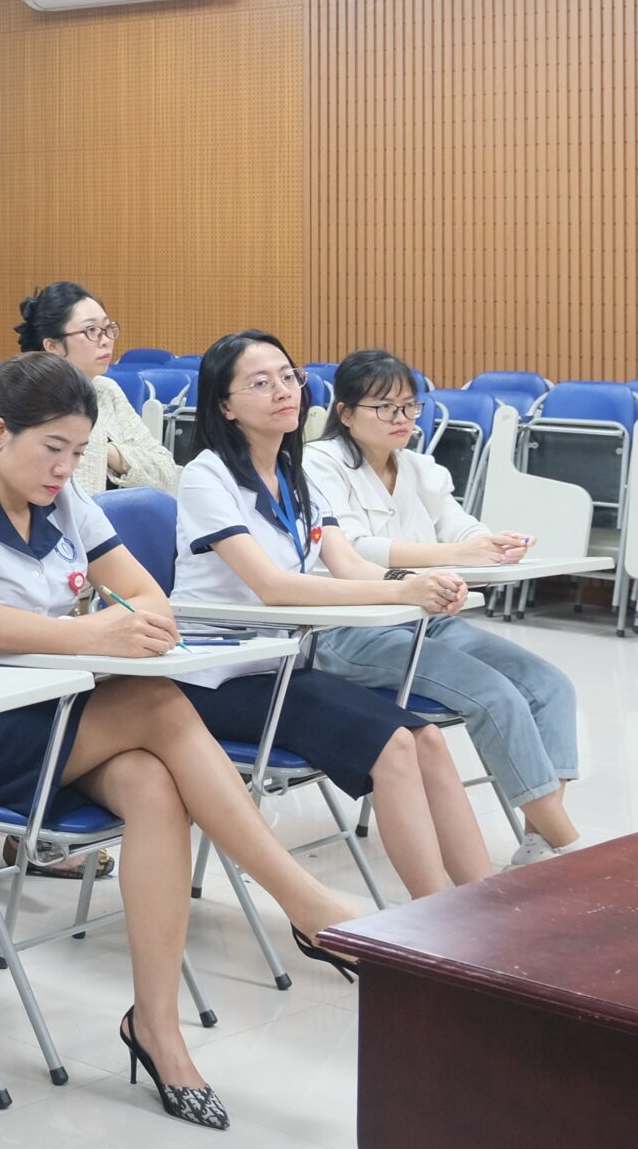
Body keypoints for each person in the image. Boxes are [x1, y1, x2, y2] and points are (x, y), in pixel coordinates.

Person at [0, 352, 371, 1131]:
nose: (66, 467)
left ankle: (156, 1027)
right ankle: (305, 903)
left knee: (155, 785)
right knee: (156, 703)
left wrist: (135, 622)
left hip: (58, 713)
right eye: (52, 447)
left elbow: (149, 592)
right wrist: (93, 632)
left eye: (79, 450)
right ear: (0, 432)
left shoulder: (67, 501)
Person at [174, 331, 493, 902]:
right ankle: (433, 923)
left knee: (427, 741)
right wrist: (402, 592)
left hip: (283, 670)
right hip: (217, 679)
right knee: (395, 746)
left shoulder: (294, 473)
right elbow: (272, 588)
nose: (284, 391)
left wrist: (418, 584)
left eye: (288, 377)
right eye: (260, 382)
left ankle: (486, 903)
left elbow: (348, 565)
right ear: (225, 406)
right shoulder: (207, 476)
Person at [304, 349, 580, 863]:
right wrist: (455, 554)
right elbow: (353, 551)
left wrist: (491, 543)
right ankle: (570, 845)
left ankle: (539, 842)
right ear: (345, 413)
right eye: (385, 407)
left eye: (410, 407)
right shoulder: (318, 464)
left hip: (425, 621)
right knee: (496, 696)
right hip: (349, 629)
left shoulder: (419, 466)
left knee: (549, 686)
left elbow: (459, 527)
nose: (402, 419)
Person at [15, 284, 176, 495]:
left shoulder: (105, 390)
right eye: (91, 330)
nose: (106, 341)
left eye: (107, 328)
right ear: (53, 346)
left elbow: (166, 473)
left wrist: (108, 452)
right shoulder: (28, 399)